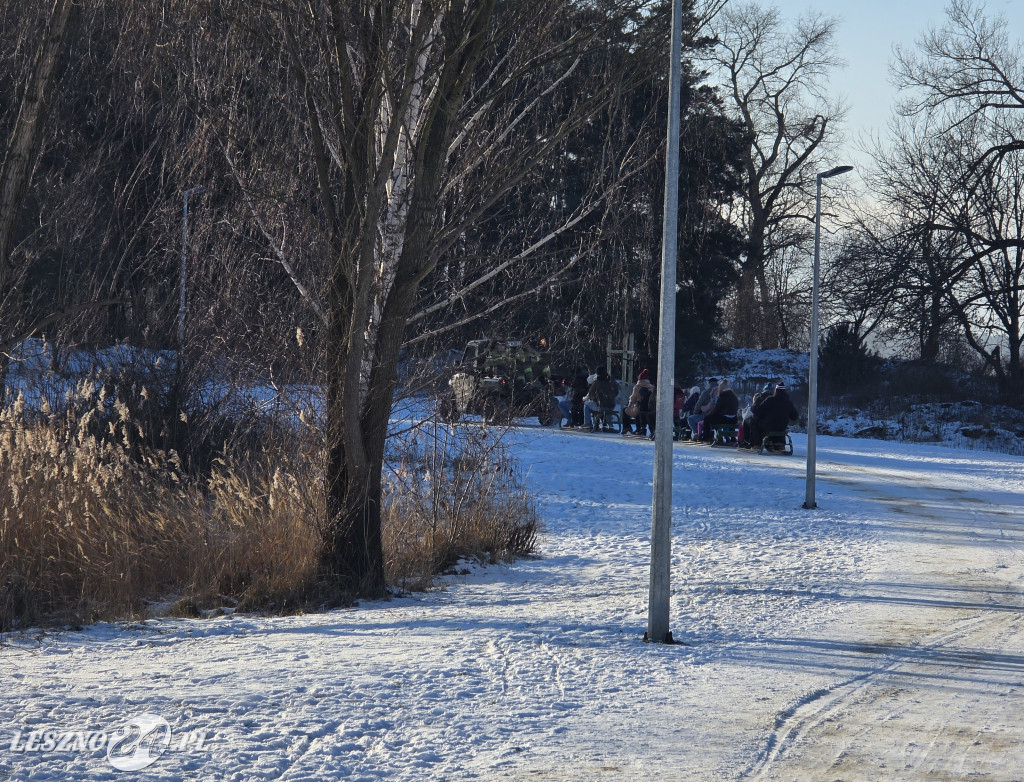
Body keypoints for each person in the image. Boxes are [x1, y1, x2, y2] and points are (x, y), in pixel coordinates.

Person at [748, 382, 799, 449]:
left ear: (776, 390)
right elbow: (794, 416)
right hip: (782, 428)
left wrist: (753, 407)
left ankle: (757, 444)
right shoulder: (788, 402)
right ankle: (780, 444)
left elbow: (758, 412)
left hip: (769, 427)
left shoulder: (770, 400)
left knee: (754, 423)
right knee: (780, 425)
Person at [623, 369, 655, 436]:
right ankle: (643, 429)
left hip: (639, 408)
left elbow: (633, 399)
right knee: (640, 411)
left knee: (625, 409)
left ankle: (628, 427)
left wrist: (630, 403)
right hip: (650, 409)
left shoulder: (637, 387)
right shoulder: (652, 387)